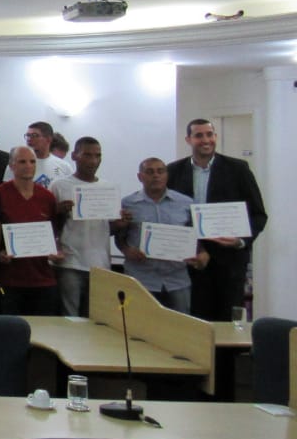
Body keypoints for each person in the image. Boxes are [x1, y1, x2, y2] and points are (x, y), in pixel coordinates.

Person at [166, 119, 268, 320]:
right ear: (188, 139)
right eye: (199, 135)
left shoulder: (238, 169)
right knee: (193, 322)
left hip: (228, 263)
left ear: (215, 137)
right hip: (189, 261)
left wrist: (240, 241)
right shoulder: (173, 171)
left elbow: (258, 215)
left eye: (209, 134)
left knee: (227, 324)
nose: (206, 140)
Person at [117, 157, 209, 314]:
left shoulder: (186, 203)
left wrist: (203, 254)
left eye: (160, 171)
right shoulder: (127, 203)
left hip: (177, 280)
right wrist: (126, 250)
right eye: (150, 172)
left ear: (167, 175)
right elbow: (119, 236)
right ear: (140, 177)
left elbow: (197, 236)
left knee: (180, 330)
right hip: (140, 279)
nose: (156, 176)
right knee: (139, 330)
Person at [49, 136, 116, 317]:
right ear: (74, 156)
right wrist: (59, 212)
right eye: (87, 155)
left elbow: (111, 228)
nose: (93, 160)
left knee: (97, 317)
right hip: (71, 261)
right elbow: (48, 223)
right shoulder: (59, 185)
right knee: (70, 316)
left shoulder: (108, 187)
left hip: (101, 264)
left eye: (97, 155)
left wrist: (121, 222)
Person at [0, 146, 63, 315]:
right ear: (11, 165)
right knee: (10, 332)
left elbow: (54, 234)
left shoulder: (47, 197)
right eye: (22, 161)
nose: (28, 165)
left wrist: (56, 252)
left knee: (44, 332)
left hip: (43, 278)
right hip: (10, 279)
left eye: (32, 161)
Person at [11, 121, 74, 186]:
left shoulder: (64, 167)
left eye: (34, 135)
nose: (29, 139)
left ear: (48, 139)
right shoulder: (16, 163)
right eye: (28, 135)